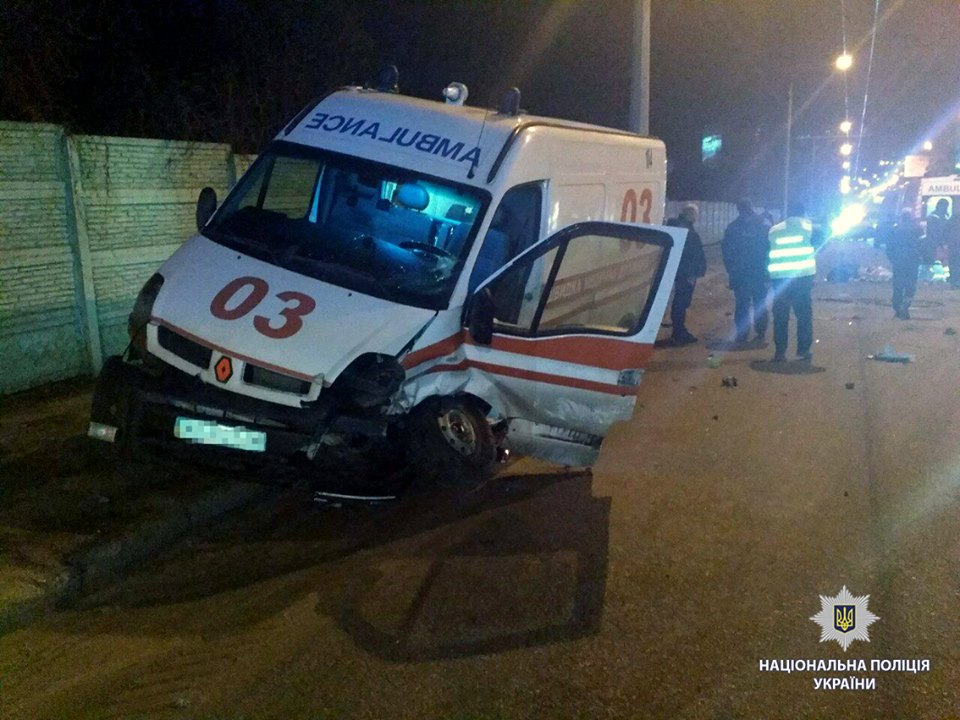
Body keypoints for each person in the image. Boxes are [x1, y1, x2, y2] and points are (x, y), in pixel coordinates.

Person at [767, 201, 817, 362]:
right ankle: (803, 350)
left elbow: (767, 252)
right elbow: (822, 240)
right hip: (802, 279)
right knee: (804, 316)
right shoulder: (809, 228)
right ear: (803, 213)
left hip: (780, 280)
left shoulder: (774, 230)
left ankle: (780, 352)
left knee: (780, 317)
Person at [721, 198, 769, 342]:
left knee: (742, 305)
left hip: (740, 274)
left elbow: (726, 252)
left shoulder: (733, 227)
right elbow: (769, 248)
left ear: (738, 209)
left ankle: (742, 334)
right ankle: (760, 333)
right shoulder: (763, 224)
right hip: (759, 272)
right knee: (759, 304)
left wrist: (731, 270)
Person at [666, 204, 706, 345]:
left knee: (679, 301)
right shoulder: (687, 231)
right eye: (695, 215)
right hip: (685, 273)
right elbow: (692, 254)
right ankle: (679, 333)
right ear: (690, 214)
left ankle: (679, 330)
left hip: (676, 270)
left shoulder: (675, 226)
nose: (696, 218)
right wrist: (693, 273)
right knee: (681, 302)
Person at [886, 208, 922, 319]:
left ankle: (898, 308)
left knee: (898, 285)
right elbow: (922, 246)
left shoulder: (895, 231)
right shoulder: (917, 230)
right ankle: (905, 306)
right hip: (912, 262)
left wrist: (893, 259)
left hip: (899, 262)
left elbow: (889, 247)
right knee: (910, 285)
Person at [923, 198, 950, 268]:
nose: (945, 208)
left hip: (942, 244)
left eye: (946, 206)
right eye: (944, 206)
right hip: (933, 244)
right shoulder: (932, 217)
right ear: (939, 206)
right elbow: (935, 232)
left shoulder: (945, 217)